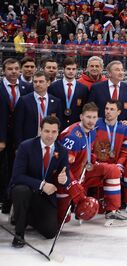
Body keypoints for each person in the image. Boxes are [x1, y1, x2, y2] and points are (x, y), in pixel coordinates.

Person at [59, 103, 127, 222]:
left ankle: (112, 210)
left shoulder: (92, 131)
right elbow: (62, 167)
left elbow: (86, 150)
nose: (91, 121)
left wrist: (92, 158)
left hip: (83, 171)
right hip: (66, 178)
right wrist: (73, 186)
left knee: (112, 170)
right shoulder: (72, 137)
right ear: (81, 117)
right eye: (88, 117)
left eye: (94, 117)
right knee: (63, 219)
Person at [9, 116, 71, 247]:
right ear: (40, 130)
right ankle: (19, 233)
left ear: (58, 132)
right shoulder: (26, 146)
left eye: (54, 132)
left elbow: (66, 179)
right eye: (46, 131)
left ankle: (24, 214)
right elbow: (17, 176)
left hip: (44, 197)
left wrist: (64, 179)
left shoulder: (62, 151)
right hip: (26, 189)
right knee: (21, 190)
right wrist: (41, 185)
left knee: (50, 232)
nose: (50, 135)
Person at [92, 100, 127, 217]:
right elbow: (89, 146)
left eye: (112, 109)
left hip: (114, 166)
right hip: (97, 164)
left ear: (119, 112)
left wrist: (120, 164)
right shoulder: (95, 125)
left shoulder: (125, 129)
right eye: (106, 109)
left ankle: (113, 208)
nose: (108, 112)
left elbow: (125, 151)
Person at [1, 58, 33, 213]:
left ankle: (15, 203)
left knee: (18, 170)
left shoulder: (27, 87)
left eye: (16, 68)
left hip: (21, 137)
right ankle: (4, 202)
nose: (13, 71)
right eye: (9, 69)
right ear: (3, 71)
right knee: (3, 171)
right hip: (2, 137)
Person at [14, 71, 62, 147]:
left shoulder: (56, 102)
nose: (37, 84)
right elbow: (18, 125)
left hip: (49, 142)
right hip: (29, 142)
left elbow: (59, 124)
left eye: (41, 81)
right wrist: (19, 146)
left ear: (48, 83)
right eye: (35, 81)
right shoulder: (24, 100)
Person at [89, 60, 127, 126]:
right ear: (109, 73)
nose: (121, 72)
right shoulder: (96, 88)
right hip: (100, 128)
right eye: (117, 70)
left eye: (122, 70)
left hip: (121, 129)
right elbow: (90, 108)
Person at [48, 57, 89, 130]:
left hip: (76, 126)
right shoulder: (53, 87)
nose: (71, 71)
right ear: (63, 69)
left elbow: (84, 109)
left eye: (73, 69)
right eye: (68, 69)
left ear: (77, 70)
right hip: (57, 125)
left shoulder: (83, 89)